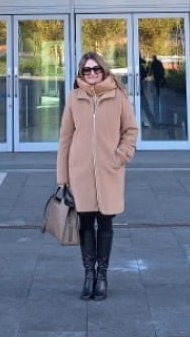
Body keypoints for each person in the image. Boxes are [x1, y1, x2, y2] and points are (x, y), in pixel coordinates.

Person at [56, 51, 139, 301]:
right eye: (87, 70)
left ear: (103, 70)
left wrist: (120, 156)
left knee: (105, 224)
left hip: (108, 171)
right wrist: (62, 176)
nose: (92, 74)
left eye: (96, 69)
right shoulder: (74, 98)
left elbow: (130, 130)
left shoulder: (118, 96)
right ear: (81, 73)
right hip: (80, 172)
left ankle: (102, 276)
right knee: (84, 225)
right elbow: (65, 139)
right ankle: (88, 276)